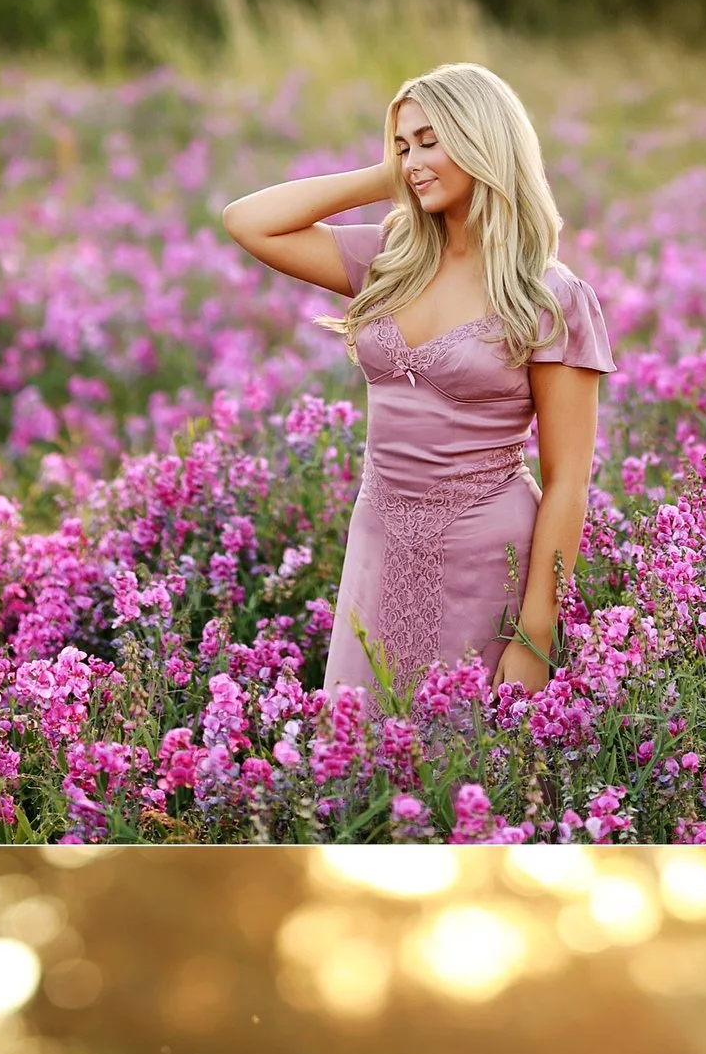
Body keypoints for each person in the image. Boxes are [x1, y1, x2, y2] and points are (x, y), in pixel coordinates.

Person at [221, 67, 611, 706]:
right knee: (359, 762)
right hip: (377, 542)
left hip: (484, 558)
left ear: (481, 140)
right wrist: (393, 172)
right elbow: (249, 221)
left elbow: (569, 481)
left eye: (431, 140)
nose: (412, 160)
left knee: (464, 771)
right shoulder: (390, 259)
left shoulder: (549, 296)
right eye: (403, 144)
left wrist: (535, 635)